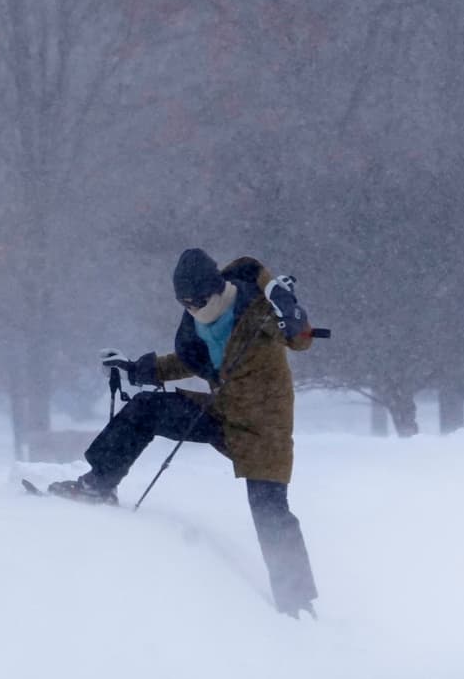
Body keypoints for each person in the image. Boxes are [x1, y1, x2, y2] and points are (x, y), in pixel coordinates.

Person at [48, 248, 320, 618]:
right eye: (184, 304)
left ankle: (297, 603)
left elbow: (301, 338)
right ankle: (99, 483)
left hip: (263, 429)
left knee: (270, 510)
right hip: (221, 413)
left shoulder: (259, 308)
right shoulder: (199, 322)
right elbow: (189, 362)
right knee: (147, 407)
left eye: (197, 301)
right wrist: (136, 369)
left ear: (217, 288)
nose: (191, 308)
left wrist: (290, 310)